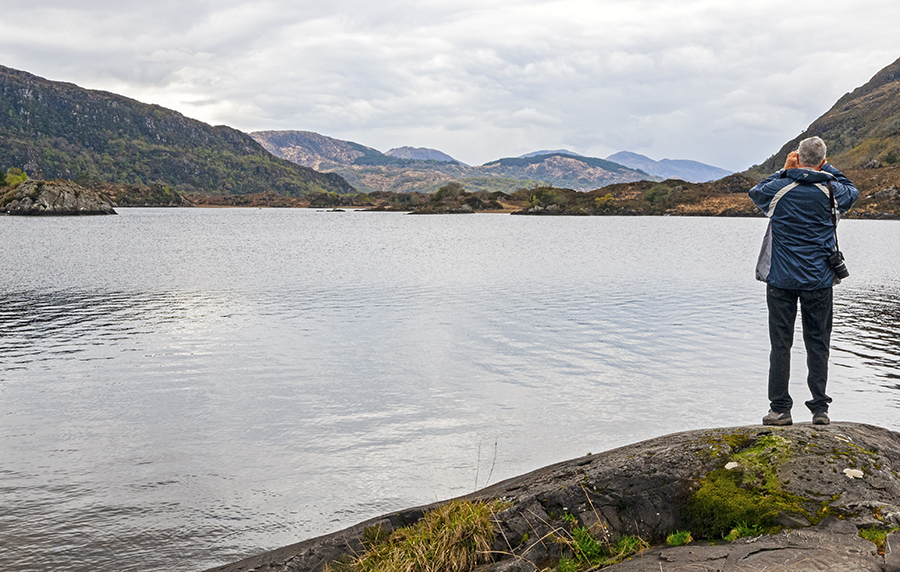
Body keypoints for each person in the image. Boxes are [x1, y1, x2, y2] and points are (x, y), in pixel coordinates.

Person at [749, 136, 858, 426]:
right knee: (818, 343)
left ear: (796, 158)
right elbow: (853, 189)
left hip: (781, 280)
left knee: (780, 345)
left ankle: (780, 410)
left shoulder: (779, 187)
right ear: (822, 161)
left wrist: (785, 170)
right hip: (819, 280)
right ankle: (820, 410)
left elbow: (756, 191)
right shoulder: (833, 191)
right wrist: (824, 167)